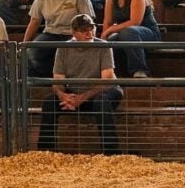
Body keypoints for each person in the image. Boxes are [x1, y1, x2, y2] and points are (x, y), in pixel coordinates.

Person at [37, 14, 123, 155]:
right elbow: (57, 79)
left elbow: (107, 80)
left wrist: (82, 98)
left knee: (102, 102)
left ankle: (112, 154)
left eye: (91, 29)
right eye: (84, 30)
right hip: (74, 92)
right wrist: (63, 95)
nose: (89, 33)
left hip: (102, 91)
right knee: (49, 103)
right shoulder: (63, 48)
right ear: (74, 33)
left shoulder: (103, 46)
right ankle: (45, 153)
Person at [24, 0, 94, 78]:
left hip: (73, 34)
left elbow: (88, 19)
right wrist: (25, 43)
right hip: (51, 33)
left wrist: (84, 37)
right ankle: (39, 85)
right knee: (32, 52)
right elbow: (35, 21)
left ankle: (62, 81)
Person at [101, 0, 161, 78]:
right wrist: (104, 38)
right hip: (125, 33)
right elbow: (108, 21)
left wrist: (110, 30)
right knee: (110, 41)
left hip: (148, 33)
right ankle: (113, 73)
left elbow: (135, 22)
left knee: (128, 32)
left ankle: (140, 70)